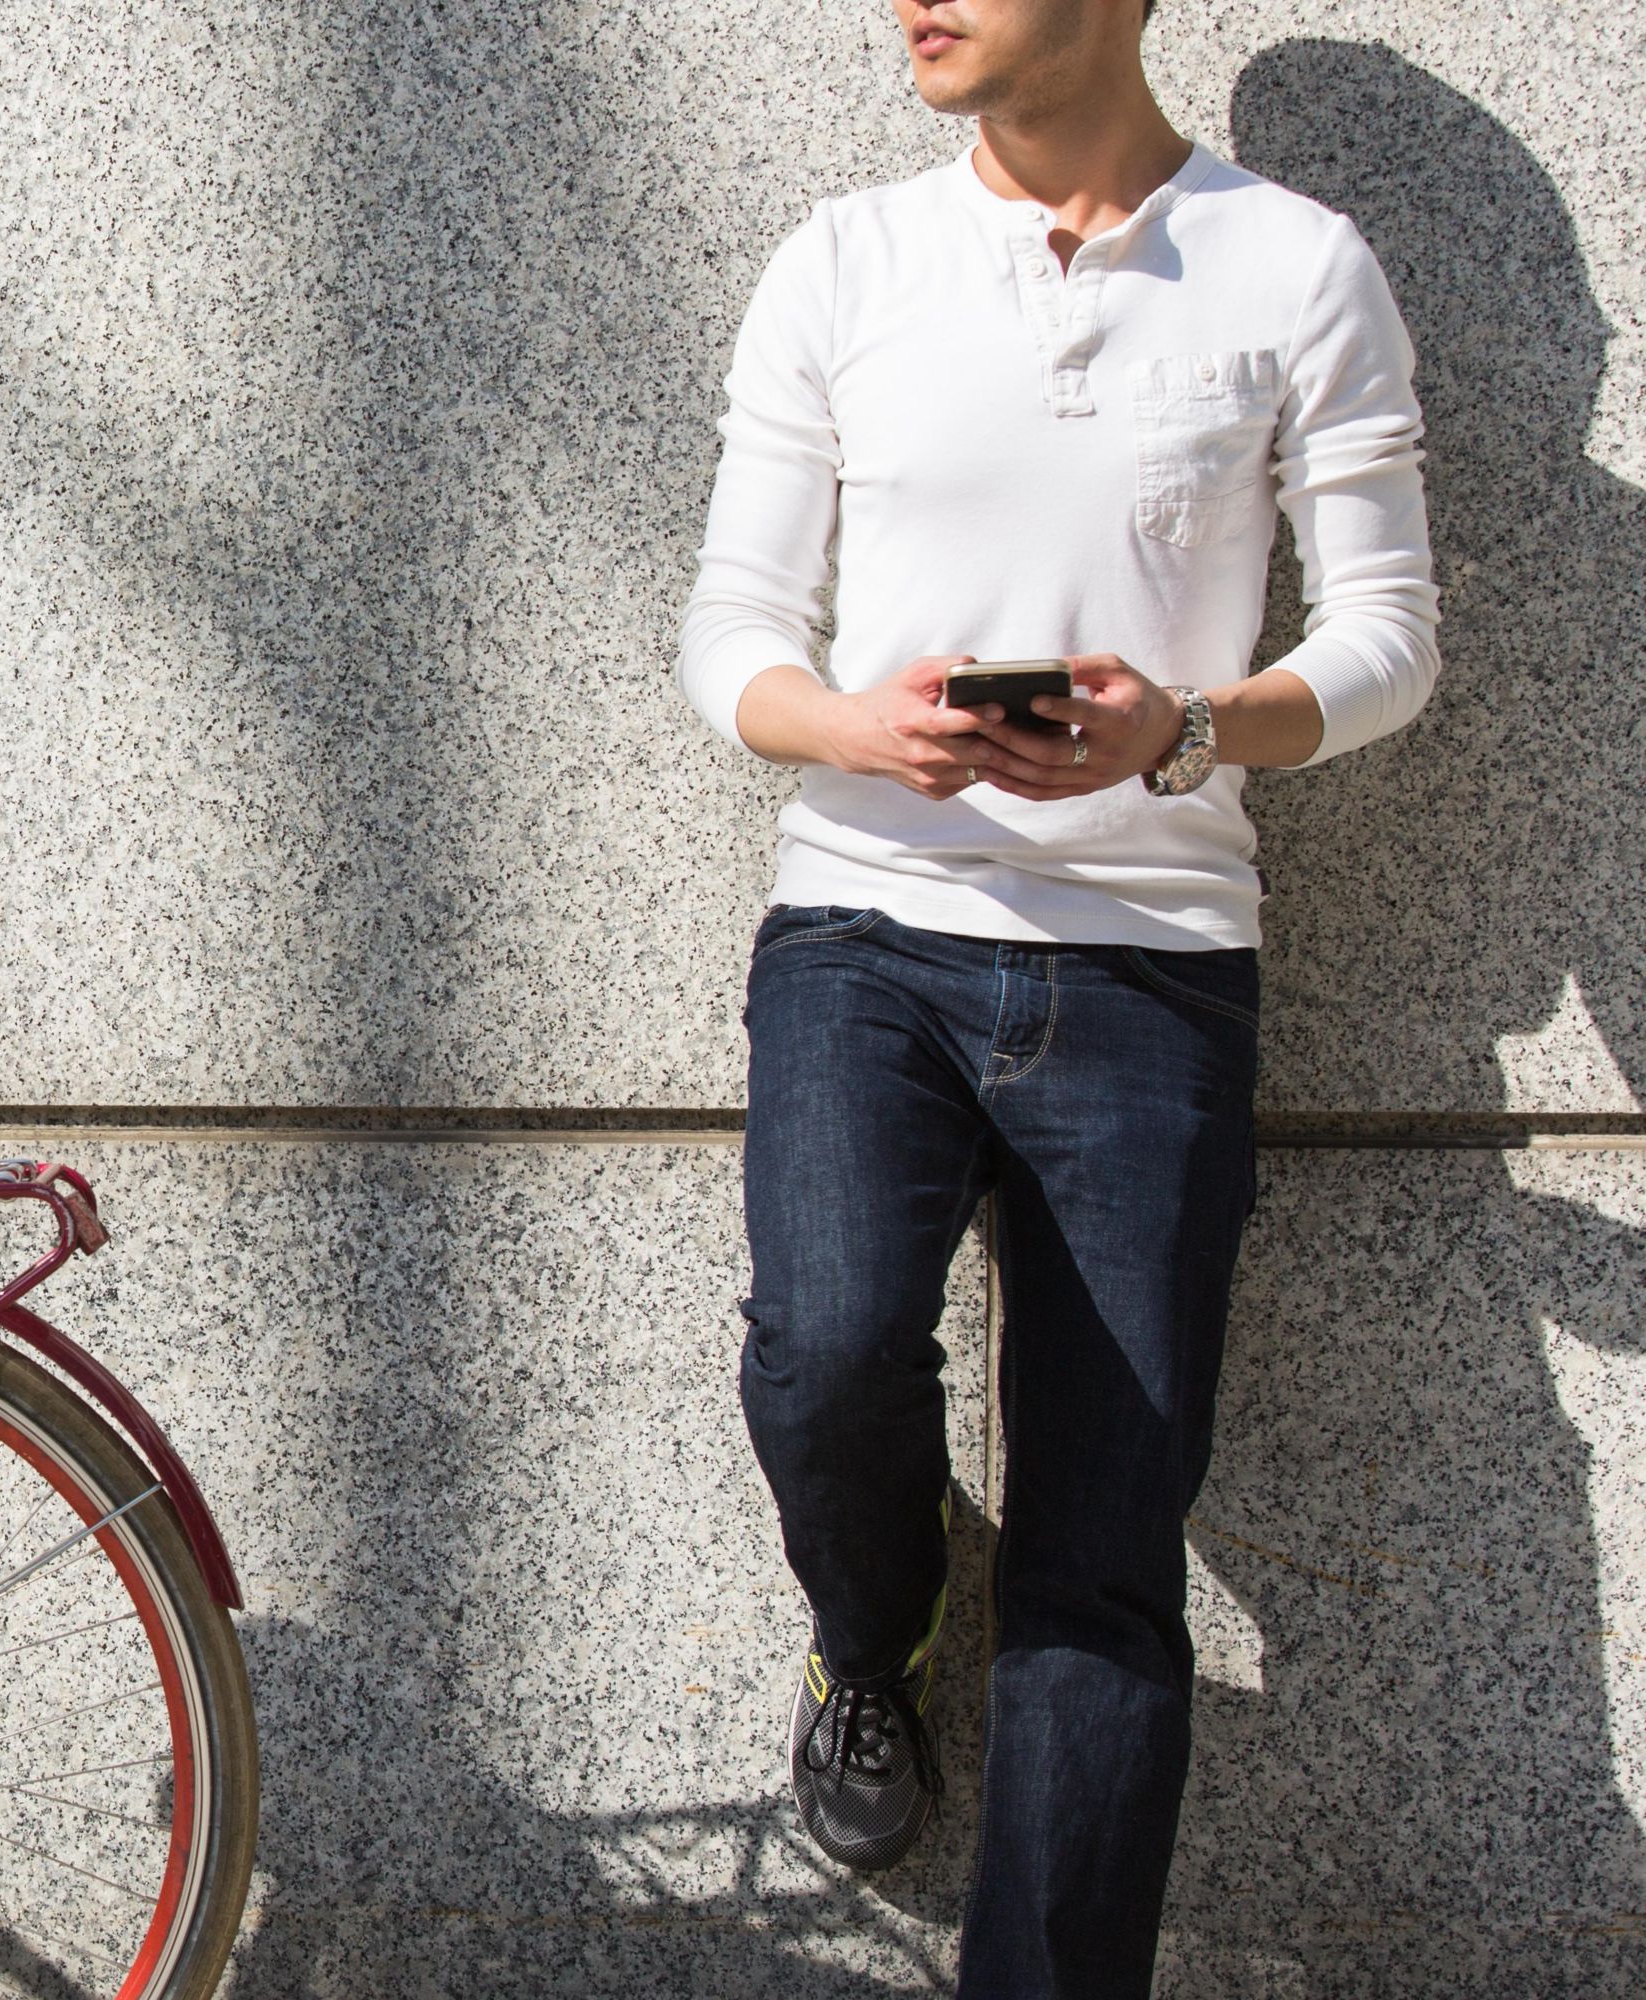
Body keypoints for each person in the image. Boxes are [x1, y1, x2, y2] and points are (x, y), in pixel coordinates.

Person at [675, 2, 1436, 1991]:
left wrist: (1181, 731)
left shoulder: (1293, 267)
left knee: (1103, 1557)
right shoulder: (844, 261)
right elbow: (730, 630)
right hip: (862, 927)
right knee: (824, 1352)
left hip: (1150, 970)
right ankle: (874, 1631)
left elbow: (1385, 641)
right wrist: (841, 719)